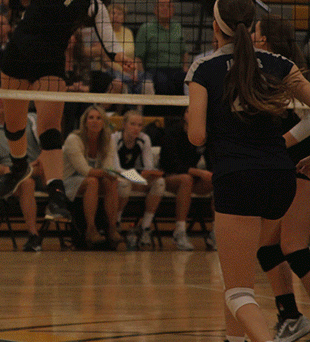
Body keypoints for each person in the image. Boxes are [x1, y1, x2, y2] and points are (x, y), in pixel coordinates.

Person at [188, 0, 309, 342]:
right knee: (237, 273)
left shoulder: (204, 68)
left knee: (238, 289)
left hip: (237, 180)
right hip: (281, 179)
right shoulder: (281, 65)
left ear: (216, 26)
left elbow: (197, 136)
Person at [0, 0, 130, 224]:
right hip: (18, 52)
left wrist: (119, 57)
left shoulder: (93, 2)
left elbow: (107, 36)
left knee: (50, 129)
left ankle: (56, 197)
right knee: (14, 127)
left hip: (51, 62)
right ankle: (20, 165)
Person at [252, 15, 310, 342]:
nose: (253, 39)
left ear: (266, 39)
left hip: (303, 163)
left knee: (294, 245)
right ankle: (291, 316)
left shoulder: (291, 72)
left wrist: (284, 141)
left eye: (257, 34)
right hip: (285, 168)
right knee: (267, 246)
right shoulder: (264, 74)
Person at [0, 100, 43, 251]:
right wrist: (11, 171)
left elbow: (47, 147)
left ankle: (60, 206)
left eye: (5, 97)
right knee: (26, 182)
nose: (2, 101)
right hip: (13, 177)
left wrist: (38, 162)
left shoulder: (31, 119)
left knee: (49, 166)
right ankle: (34, 236)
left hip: (39, 168)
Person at [62, 104, 121, 248]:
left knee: (111, 182)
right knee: (93, 181)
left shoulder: (108, 140)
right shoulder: (73, 139)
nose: (95, 121)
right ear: (85, 122)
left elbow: (107, 167)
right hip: (68, 180)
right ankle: (91, 229)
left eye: (99, 118)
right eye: (91, 118)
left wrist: (112, 174)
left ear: (104, 122)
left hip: (93, 178)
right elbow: (84, 170)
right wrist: (110, 173)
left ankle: (112, 228)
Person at [158, 109, 212, 251]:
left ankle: (216, 233)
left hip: (191, 180)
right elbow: (170, 163)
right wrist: (198, 172)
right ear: (184, 115)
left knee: (217, 181)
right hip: (169, 177)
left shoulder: (203, 135)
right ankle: (180, 232)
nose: (193, 115)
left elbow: (212, 160)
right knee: (185, 180)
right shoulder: (173, 132)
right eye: (189, 112)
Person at [113, 110, 165, 249]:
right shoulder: (114, 138)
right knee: (124, 185)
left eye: (140, 125)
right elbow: (116, 168)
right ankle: (115, 223)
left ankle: (145, 227)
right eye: (132, 124)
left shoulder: (144, 139)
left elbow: (149, 166)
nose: (136, 128)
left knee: (159, 183)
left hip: (135, 179)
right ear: (124, 125)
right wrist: (137, 176)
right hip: (117, 180)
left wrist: (150, 174)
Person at [134, 0, 188, 96]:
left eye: (168, 6)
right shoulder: (146, 28)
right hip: (155, 69)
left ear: (173, 10)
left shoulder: (178, 27)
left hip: (176, 69)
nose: (165, 9)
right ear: (155, 9)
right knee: (162, 83)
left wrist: (185, 68)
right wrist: (143, 76)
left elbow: (184, 52)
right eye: (161, 6)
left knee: (183, 82)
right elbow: (138, 57)